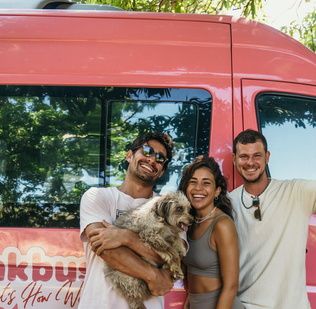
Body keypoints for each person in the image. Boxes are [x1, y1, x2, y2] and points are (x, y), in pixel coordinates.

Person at [229, 129, 316, 309]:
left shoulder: (294, 192)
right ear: (234, 159)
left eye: (257, 155)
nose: (250, 162)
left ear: (267, 157)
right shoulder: (228, 204)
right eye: (244, 156)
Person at [78, 132, 181, 309]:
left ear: (162, 170)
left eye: (160, 158)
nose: (151, 160)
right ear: (129, 155)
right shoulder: (97, 196)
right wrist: (154, 275)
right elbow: (104, 249)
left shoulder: (170, 208)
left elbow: (175, 258)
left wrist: (125, 237)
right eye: (147, 151)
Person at [179, 155, 244, 309]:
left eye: (206, 183)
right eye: (193, 182)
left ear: (217, 191)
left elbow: (231, 286)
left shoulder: (222, 224)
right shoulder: (190, 222)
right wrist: (192, 297)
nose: (198, 188)